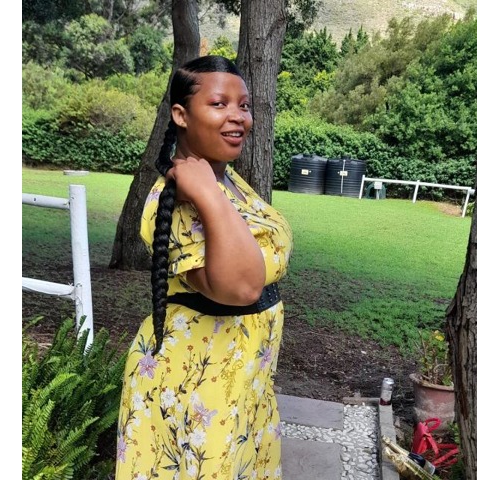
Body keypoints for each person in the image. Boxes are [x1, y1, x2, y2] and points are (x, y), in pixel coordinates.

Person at [115, 55, 293, 480]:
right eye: (219, 104)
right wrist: (208, 195)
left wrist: (212, 188)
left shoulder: (226, 178)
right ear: (181, 115)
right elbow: (241, 289)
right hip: (198, 389)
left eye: (244, 105)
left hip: (241, 381)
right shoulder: (176, 199)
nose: (238, 117)